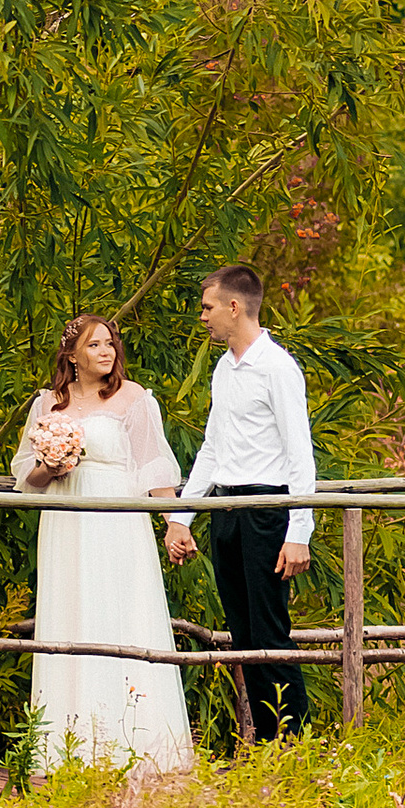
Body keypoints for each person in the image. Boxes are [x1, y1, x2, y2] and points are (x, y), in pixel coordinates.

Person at [12, 313, 194, 773]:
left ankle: (137, 742)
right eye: (94, 344)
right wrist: (51, 466)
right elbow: (28, 479)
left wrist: (175, 523)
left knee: (121, 613)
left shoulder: (133, 398)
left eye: (110, 343)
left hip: (118, 520)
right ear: (72, 355)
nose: (106, 351)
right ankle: (66, 745)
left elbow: (155, 470)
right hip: (65, 520)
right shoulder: (47, 404)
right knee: (70, 614)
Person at [167, 264, 316, 743]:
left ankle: (295, 746)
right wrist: (182, 518)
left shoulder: (277, 368)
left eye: (207, 307)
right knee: (243, 634)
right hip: (226, 512)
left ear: (234, 307)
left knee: (269, 632)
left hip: (266, 511)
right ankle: (268, 745)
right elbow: (212, 450)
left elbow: (299, 453)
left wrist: (299, 531)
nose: (202, 316)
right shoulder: (224, 369)